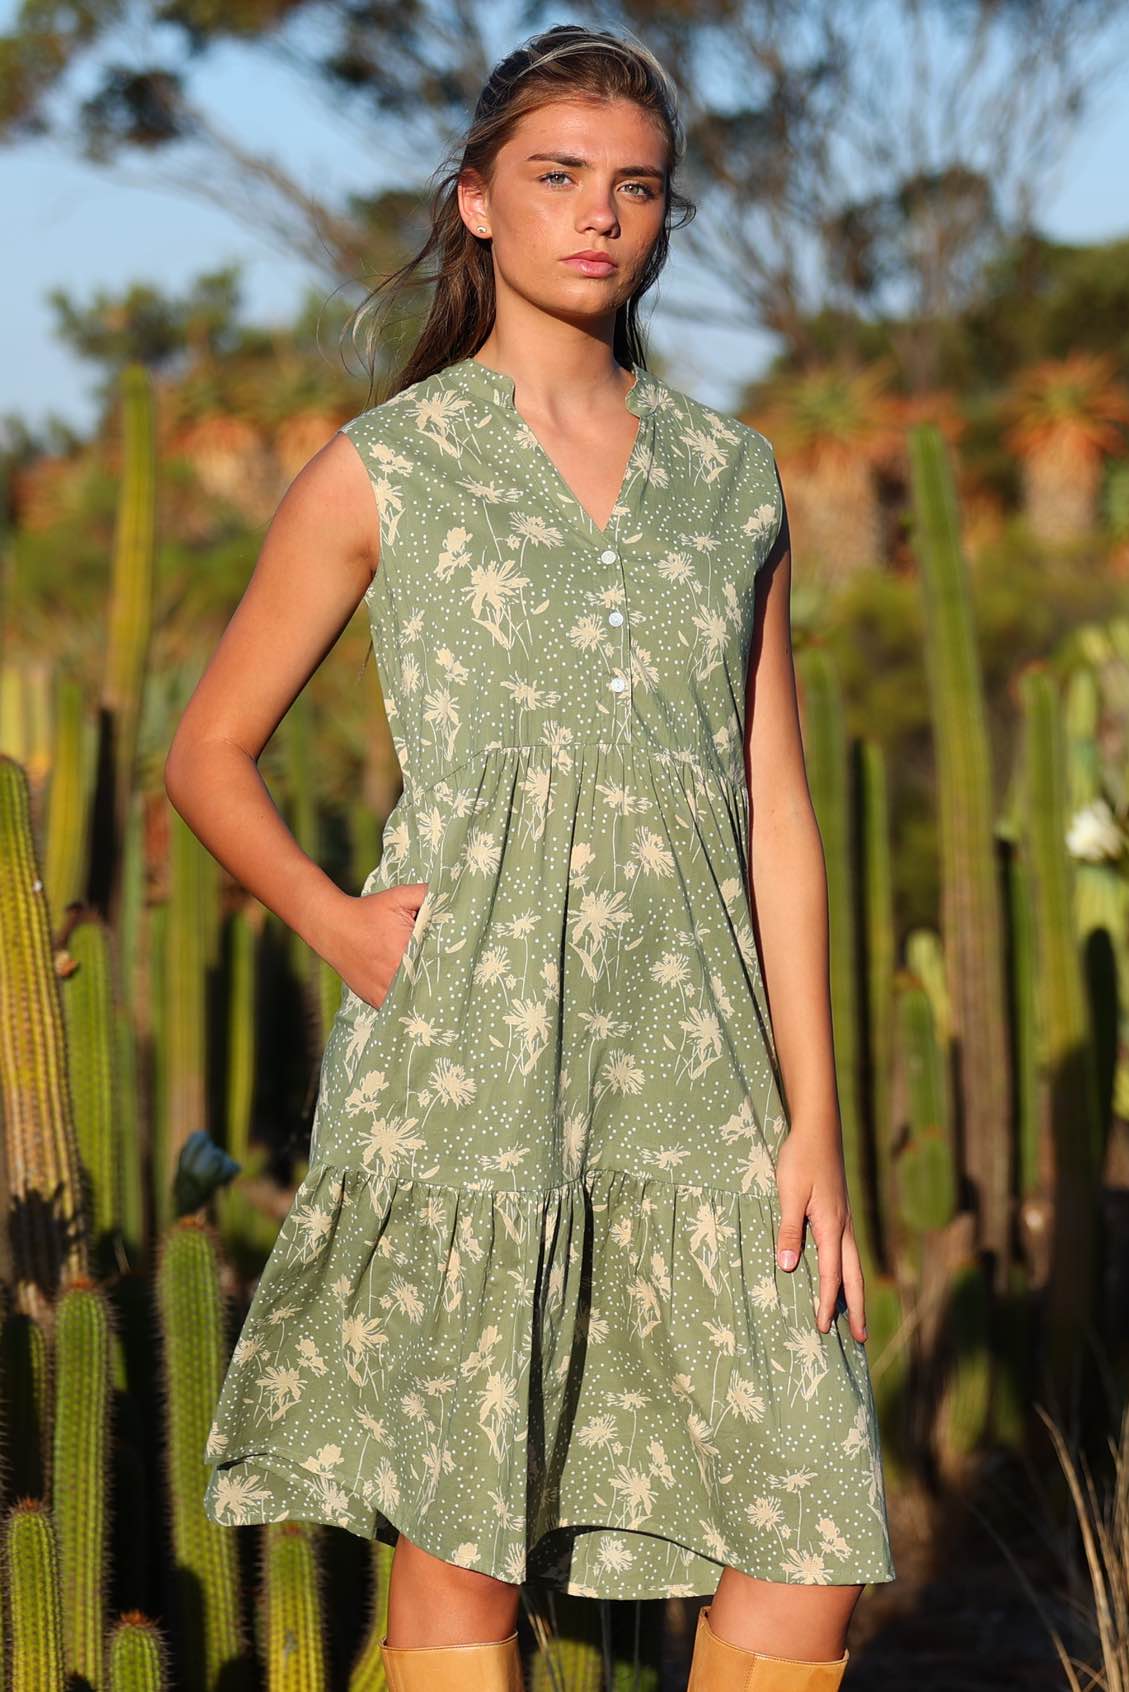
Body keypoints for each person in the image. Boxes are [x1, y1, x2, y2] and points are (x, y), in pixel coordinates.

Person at [164, 23, 895, 1692]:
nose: (600, 215)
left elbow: (777, 808)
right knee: (464, 1566)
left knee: (805, 1547)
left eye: (637, 187)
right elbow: (208, 753)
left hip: (707, 1071)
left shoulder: (732, 478)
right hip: (474, 1059)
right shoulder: (390, 464)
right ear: (477, 201)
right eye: (559, 177)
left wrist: (818, 1120)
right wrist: (339, 926)